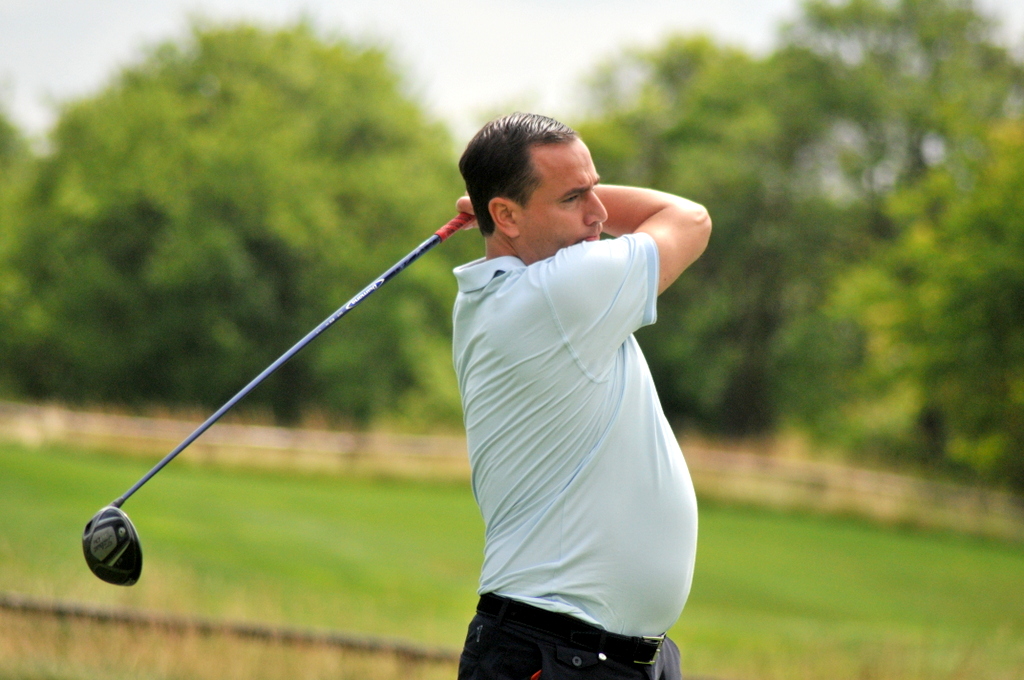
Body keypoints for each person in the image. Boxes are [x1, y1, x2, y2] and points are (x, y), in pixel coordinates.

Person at [451, 112, 712, 680]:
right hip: (557, 653)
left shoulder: (502, 296)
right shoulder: (561, 291)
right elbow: (689, 219)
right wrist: (491, 202)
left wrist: (514, 203)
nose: (599, 213)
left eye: (595, 188)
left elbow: (661, 218)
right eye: (573, 198)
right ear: (505, 216)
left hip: (594, 653)